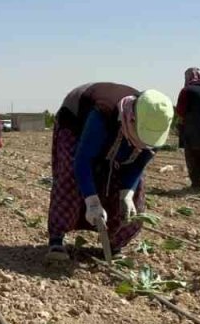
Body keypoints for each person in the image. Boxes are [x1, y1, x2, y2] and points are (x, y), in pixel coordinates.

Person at [45, 83, 173, 262]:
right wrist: (92, 201)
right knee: (70, 174)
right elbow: (83, 161)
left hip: (115, 128)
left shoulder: (156, 130)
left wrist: (127, 193)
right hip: (76, 121)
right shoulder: (103, 114)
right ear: (132, 119)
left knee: (133, 193)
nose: (144, 145)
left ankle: (115, 243)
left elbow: (137, 165)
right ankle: (57, 238)